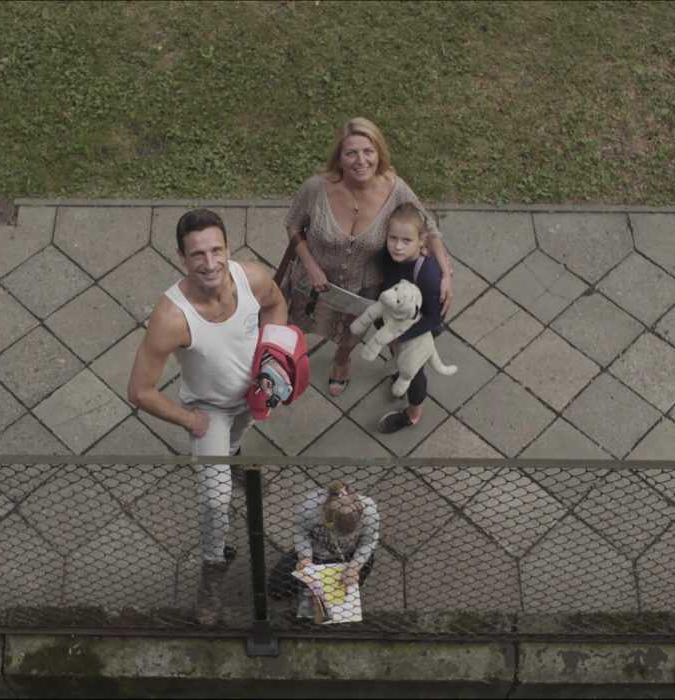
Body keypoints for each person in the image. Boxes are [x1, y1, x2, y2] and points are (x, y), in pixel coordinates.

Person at [127, 208, 288, 625]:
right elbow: (139, 391)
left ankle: (232, 456)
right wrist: (188, 420)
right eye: (198, 254)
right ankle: (212, 572)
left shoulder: (250, 278)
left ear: (228, 248)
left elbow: (277, 304)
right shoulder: (171, 317)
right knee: (215, 502)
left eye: (217, 250)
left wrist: (273, 360)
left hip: (253, 397)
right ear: (181, 257)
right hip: (208, 411)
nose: (211, 262)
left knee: (237, 440)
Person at [283, 117, 453, 396]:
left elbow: (430, 227)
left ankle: (341, 362)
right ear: (339, 158)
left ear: (379, 154)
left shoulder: (396, 190)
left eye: (368, 151)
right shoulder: (315, 188)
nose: (360, 160)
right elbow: (293, 224)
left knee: (352, 331)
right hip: (313, 283)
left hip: (363, 288)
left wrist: (446, 274)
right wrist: (311, 266)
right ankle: (289, 362)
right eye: (351, 153)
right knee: (301, 322)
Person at [375, 202, 449, 433]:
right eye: (392, 238)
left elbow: (434, 319)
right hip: (396, 325)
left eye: (406, 241)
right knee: (400, 359)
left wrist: (400, 336)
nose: (397, 247)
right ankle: (401, 370)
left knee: (415, 372)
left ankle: (413, 413)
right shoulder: (389, 257)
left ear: (422, 241)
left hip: (418, 332)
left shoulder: (428, 274)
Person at [268, 481, 380, 617]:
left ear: (361, 518)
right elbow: (300, 530)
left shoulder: (370, 510)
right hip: (316, 552)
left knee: (340, 600)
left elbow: (369, 541)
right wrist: (305, 557)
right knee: (276, 590)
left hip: (349, 555)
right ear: (325, 517)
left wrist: (355, 567)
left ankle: (358, 575)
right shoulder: (310, 506)